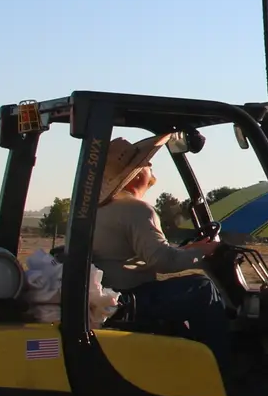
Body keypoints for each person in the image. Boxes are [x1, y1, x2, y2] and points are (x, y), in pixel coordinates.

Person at [91, 135, 231, 360]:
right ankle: (221, 366)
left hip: (112, 294)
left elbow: (147, 253)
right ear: (135, 174)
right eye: (145, 163)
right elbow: (163, 261)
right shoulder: (137, 210)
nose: (150, 165)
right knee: (201, 288)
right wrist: (204, 251)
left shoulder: (98, 210)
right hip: (128, 298)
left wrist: (190, 249)